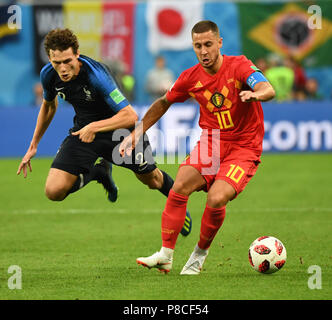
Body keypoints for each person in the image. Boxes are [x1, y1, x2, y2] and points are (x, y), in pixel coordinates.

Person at [119, 20, 275, 274]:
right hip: (212, 141)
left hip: (244, 147)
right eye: (198, 46)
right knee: (179, 186)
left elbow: (267, 88)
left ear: (220, 43)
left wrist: (256, 94)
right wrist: (138, 130)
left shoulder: (240, 66)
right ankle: (166, 255)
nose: (203, 51)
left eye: (208, 45)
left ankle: (199, 255)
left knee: (216, 198)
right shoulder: (191, 77)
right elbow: (163, 102)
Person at [17, 28, 192, 237]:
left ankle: (178, 206)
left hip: (122, 132)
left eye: (67, 61)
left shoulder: (96, 75)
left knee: (152, 180)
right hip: (84, 132)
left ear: (77, 54)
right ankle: (98, 172)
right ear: (50, 59)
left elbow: (130, 116)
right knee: (53, 191)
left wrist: (94, 126)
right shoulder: (48, 74)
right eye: (57, 63)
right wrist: (34, 144)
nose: (62, 68)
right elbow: (49, 105)